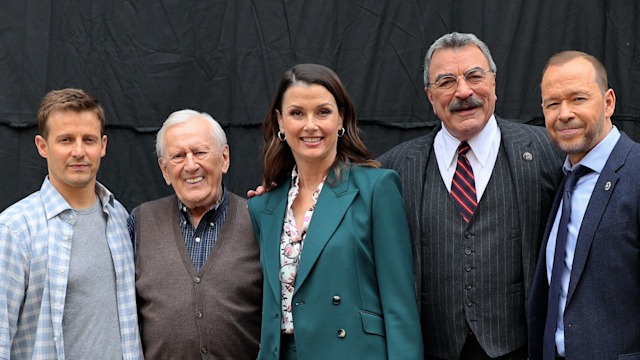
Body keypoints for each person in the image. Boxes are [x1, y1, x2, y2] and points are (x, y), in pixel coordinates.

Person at [377, 32, 564, 359]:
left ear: (493, 83)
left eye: (475, 76)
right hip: (432, 350)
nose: (463, 92)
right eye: (446, 81)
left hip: (520, 347)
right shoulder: (391, 170)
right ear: (430, 96)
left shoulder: (548, 152)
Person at [248, 63, 423, 359]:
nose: (310, 125)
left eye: (323, 112)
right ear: (280, 121)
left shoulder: (376, 188)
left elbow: (399, 306)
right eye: (297, 113)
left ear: (341, 117)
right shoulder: (263, 206)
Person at [0, 88, 143, 359]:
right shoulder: (14, 230)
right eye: (65, 140)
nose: (79, 151)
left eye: (88, 140)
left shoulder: (119, 219)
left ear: (102, 145)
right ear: (42, 146)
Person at [528, 51, 640, 359]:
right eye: (553, 103)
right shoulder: (564, 179)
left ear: (608, 103)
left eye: (578, 99)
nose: (564, 113)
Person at [127, 109, 262, 359]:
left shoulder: (258, 219)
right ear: (165, 170)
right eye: (178, 156)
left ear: (224, 158)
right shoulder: (141, 222)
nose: (191, 165)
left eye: (200, 152)